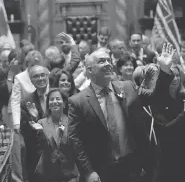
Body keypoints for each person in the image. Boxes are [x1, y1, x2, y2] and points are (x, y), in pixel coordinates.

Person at [68, 47, 173, 182]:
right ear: (89, 70)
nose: (107, 64)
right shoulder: (78, 101)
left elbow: (155, 98)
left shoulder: (128, 87)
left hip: (131, 167)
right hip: (100, 171)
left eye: (109, 60)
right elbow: (75, 141)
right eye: (101, 61)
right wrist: (88, 171)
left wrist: (164, 71)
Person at [29, 88, 79, 182]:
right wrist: (41, 132)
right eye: (51, 99)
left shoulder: (71, 122)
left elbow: (75, 148)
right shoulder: (41, 123)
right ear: (48, 104)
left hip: (70, 174)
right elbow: (45, 149)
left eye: (58, 99)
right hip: (48, 174)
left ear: (64, 103)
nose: (54, 101)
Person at [20, 65, 49, 182]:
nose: (40, 78)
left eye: (43, 75)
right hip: (38, 156)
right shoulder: (26, 102)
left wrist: (39, 118)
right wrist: (36, 118)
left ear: (48, 76)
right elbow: (27, 133)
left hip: (61, 153)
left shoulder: (59, 96)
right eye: (36, 76)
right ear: (31, 80)